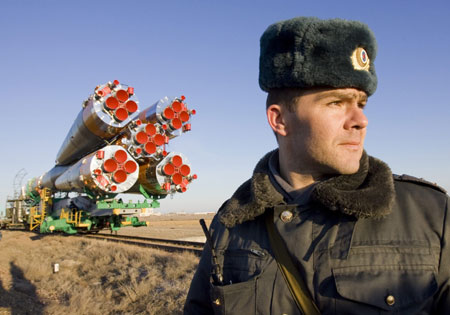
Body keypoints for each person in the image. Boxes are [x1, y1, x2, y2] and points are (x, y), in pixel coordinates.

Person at [184, 17, 450, 314]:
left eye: (360, 104)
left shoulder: (430, 215)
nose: (361, 121)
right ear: (280, 119)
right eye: (336, 103)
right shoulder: (232, 223)